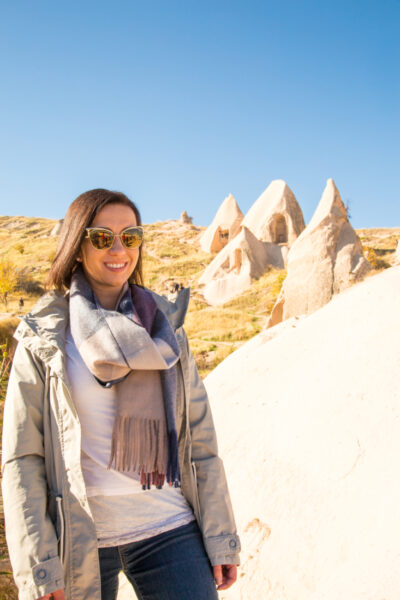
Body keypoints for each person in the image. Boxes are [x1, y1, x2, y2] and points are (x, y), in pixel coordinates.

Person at [2, 189, 240, 600]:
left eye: (129, 237)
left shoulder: (166, 330)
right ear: (78, 245)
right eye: (102, 237)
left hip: (169, 529)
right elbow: (24, 458)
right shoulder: (44, 335)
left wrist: (220, 534)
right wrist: (39, 565)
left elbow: (200, 439)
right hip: (78, 538)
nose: (118, 249)